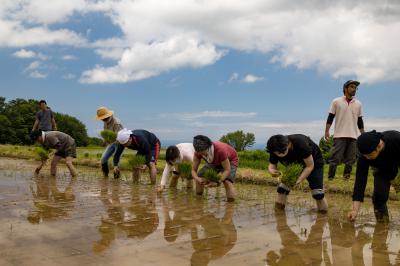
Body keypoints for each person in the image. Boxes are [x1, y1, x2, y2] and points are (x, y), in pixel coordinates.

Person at [348, 130, 400, 222]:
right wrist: (355, 210)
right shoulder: (364, 155)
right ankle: (382, 225)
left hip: (397, 163)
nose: (366, 158)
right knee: (379, 198)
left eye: (369, 155)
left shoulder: (396, 139)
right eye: (364, 156)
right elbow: (360, 182)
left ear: (378, 147)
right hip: (382, 171)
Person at [266, 134, 328, 212]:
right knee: (282, 189)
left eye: (283, 152)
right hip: (295, 166)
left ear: (288, 144)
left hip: (314, 163)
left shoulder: (301, 145)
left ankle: (323, 217)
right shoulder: (274, 149)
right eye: (277, 153)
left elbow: (309, 166)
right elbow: (272, 166)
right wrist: (272, 171)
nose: (280, 155)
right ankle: (278, 214)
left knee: (318, 193)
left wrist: (299, 180)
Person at [324, 80, 365, 180]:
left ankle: (346, 178)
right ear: (345, 89)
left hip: (353, 136)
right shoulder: (336, 101)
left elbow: (360, 120)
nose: (354, 89)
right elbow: (330, 117)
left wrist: (363, 134)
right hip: (339, 135)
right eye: (351, 87)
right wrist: (327, 131)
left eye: (355, 88)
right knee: (335, 158)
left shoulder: (358, 104)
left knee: (350, 159)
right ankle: (330, 178)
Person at [191, 135, 238, 202]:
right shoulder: (197, 153)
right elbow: (193, 170)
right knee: (200, 175)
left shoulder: (220, 150)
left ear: (208, 148)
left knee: (227, 181)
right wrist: (198, 179)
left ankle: (230, 205)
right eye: (199, 152)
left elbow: (227, 170)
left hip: (230, 160)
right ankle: (198, 200)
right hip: (213, 161)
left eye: (203, 152)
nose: (202, 154)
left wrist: (217, 182)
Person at [95, 107, 124, 177]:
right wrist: (104, 141)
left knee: (116, 162)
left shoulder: (117, 123)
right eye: (102, 118)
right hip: (111, 143)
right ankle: (105, 176)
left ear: (108, 116)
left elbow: (119, 138)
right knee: (103, 159)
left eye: (104, 118)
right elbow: (106, 133)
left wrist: (110, 140)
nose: (103, 120)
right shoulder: (105, 122)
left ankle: (116, 179)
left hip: (119, 143)